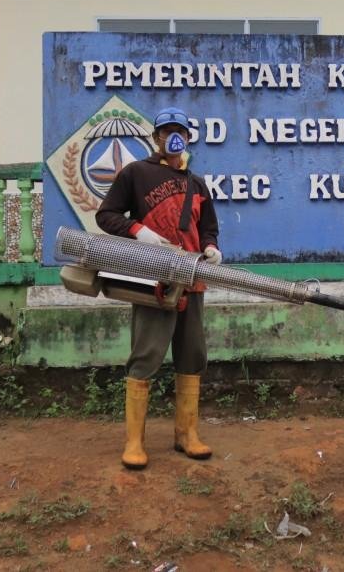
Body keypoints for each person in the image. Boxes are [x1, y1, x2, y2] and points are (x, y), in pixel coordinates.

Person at [95, 106, 222, 469]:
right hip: (155, 281)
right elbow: (107, 216)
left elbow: (210, 226)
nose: (172, 137)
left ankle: (187, 435)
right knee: (146, 356)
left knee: (192, 356)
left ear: (187, 137)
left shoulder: (197, 184)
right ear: (156, 138)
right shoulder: (135, 174)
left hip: (193, 282)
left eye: (179, 131)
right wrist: (140, 231)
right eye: (166, 131)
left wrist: (211, 247)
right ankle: (134, 442)